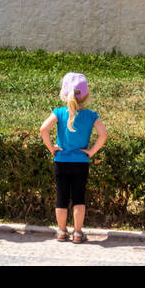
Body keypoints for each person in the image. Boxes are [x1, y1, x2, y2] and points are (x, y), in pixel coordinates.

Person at [39, 72, 108, 244]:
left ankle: (62, 232)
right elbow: (103, 135)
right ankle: (78, 233)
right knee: (78, 197)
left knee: (61, 197)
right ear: (86, 95)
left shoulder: (59, 112)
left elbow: (43, 129)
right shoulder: (92, 115)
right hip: (81, 162)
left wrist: (51, 148)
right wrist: (91, 152)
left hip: (61, 161)